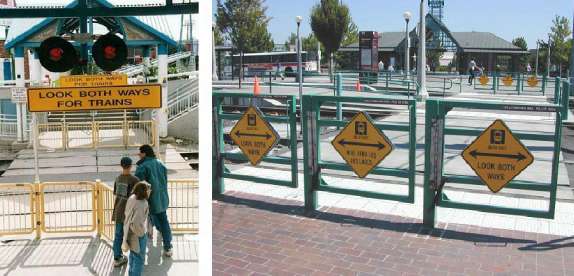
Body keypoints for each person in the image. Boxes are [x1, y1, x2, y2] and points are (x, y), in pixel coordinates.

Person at [135, 144, 173, 257]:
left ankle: (164, 243)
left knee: (157, 220)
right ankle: (168, 247)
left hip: (150, 201)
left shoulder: (143, 167)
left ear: (144, 153)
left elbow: (139, 185)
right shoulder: (160, 163)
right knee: (163, 220)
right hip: (162, 198)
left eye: (140, 153)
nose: (138, 155)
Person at [112, 157, 140, 267]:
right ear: (131, 166)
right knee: (133, 236)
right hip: (130, 213)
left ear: (121, 165)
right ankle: (133, 259)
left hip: (118, 211)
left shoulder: (118, 178)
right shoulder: (135, 180)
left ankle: (117, 257)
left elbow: (116, 193)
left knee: (118, 235)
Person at [122, 182, 151, 276]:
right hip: (138, 234)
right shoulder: (143, 203)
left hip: (128, 231)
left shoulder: (132, 198)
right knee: (139, 258)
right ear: (144, 191)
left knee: (133, 255)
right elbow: (136, 223)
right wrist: (141, 234)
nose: (150, 191)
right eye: (148, 189)